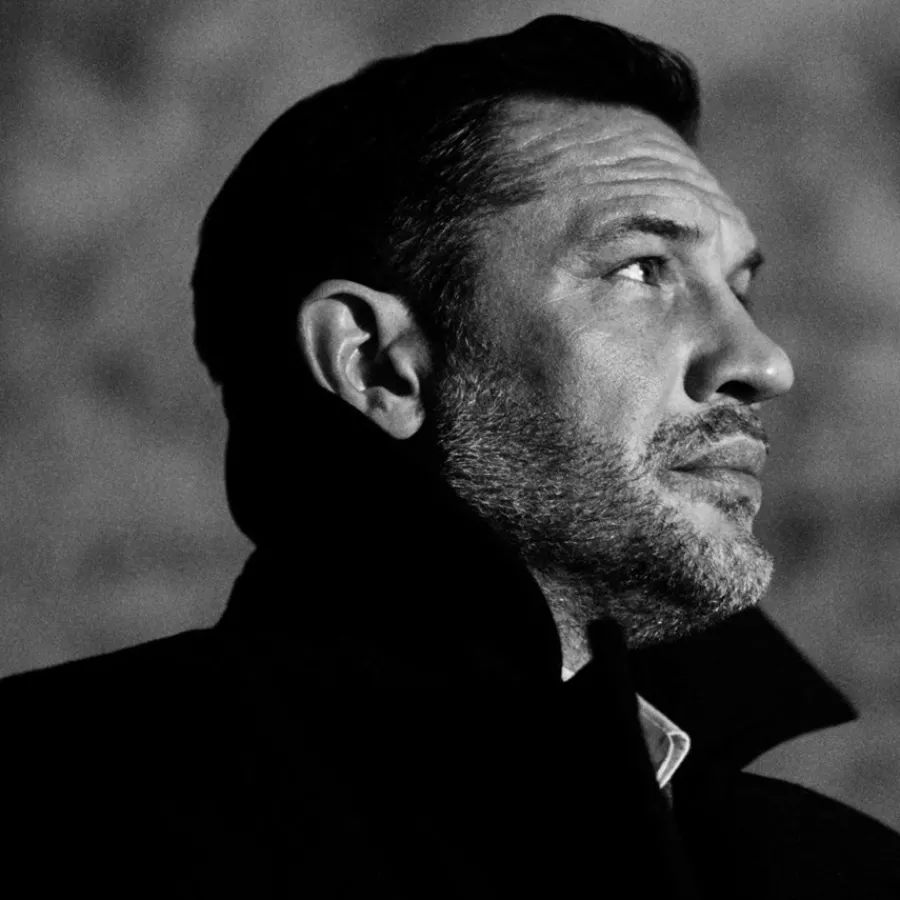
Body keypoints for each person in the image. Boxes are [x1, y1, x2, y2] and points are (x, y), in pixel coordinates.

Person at [3, 14, 899, 898]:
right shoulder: (57, 801)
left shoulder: (843, 879)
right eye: (640, 269)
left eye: (740, 288)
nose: (763, 363)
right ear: (377, 364)